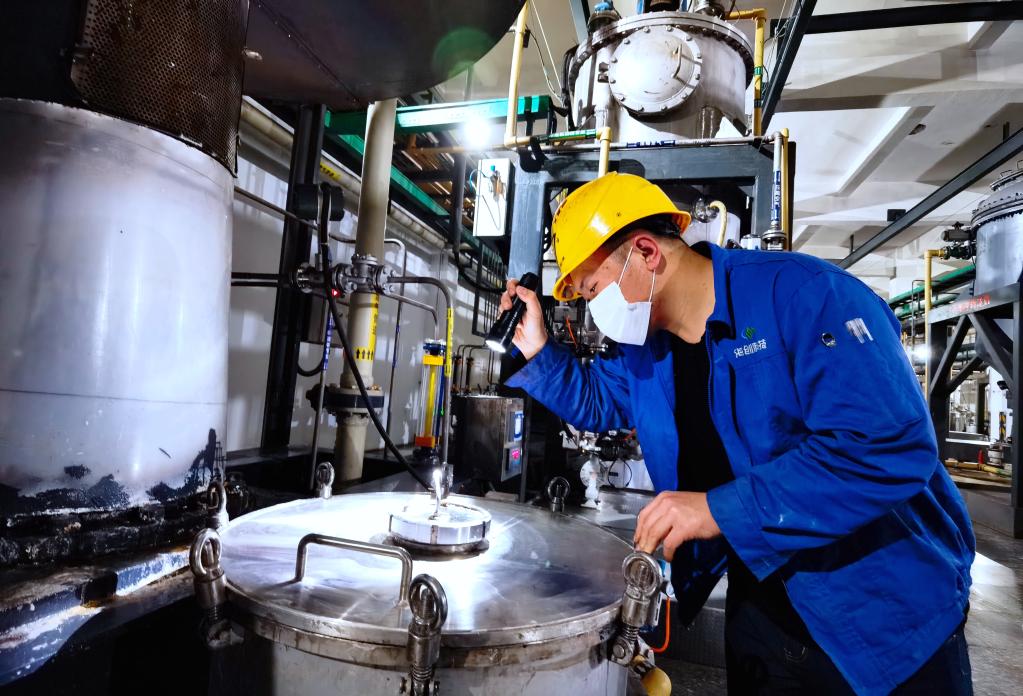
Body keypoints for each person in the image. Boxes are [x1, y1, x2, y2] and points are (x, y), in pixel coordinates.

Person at [499, 173, 975, 695]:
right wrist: (537, 347)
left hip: (881, 613)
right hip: (763, 602)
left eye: (593, 289)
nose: (595, 308)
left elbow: (885, 447)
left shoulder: (805, 295)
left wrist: (715, 509)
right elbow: (596, 400)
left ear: (645, 252)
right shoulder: (646, 351)